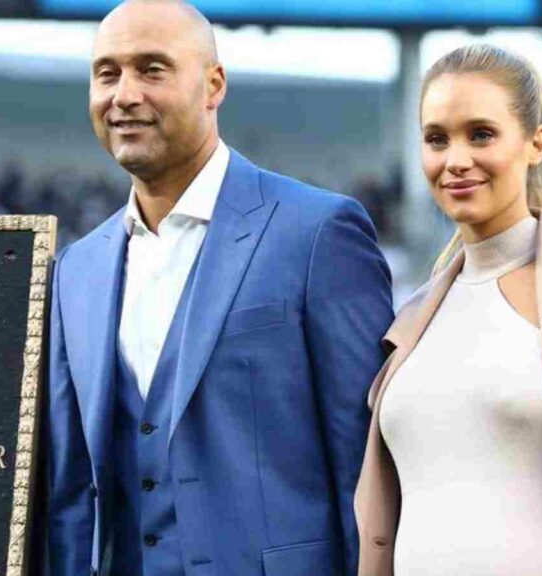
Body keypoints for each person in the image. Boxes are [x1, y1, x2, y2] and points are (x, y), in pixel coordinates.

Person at [44, 1, 393, 575]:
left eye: (152, 69)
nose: (124, 94)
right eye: (107, 73)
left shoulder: (318, 233)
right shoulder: (76, 269)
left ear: (213, 86)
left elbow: (366, 465)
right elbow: (72, 491)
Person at [355, 44, 542, 576]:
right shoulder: (410, 317)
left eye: (481, 134)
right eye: (436, 139)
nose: (455, 160)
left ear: (536, 143)